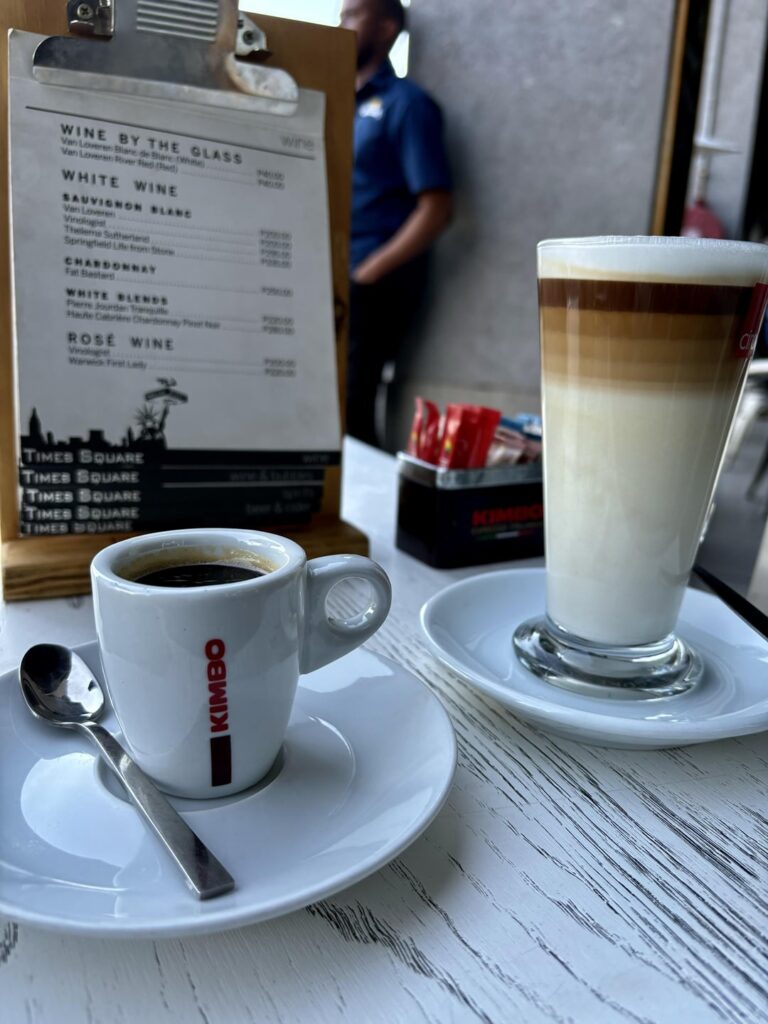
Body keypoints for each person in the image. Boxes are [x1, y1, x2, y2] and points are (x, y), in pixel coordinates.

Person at [340, 0, 453, 446]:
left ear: (386, 26)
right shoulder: (341, 103)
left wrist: (367, 273)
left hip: (374, 284)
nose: (341, 24)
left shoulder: (408, 105)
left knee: (353, 409)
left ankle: (361, 511)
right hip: (336, 280)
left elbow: (438, 209)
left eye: (353, 14)